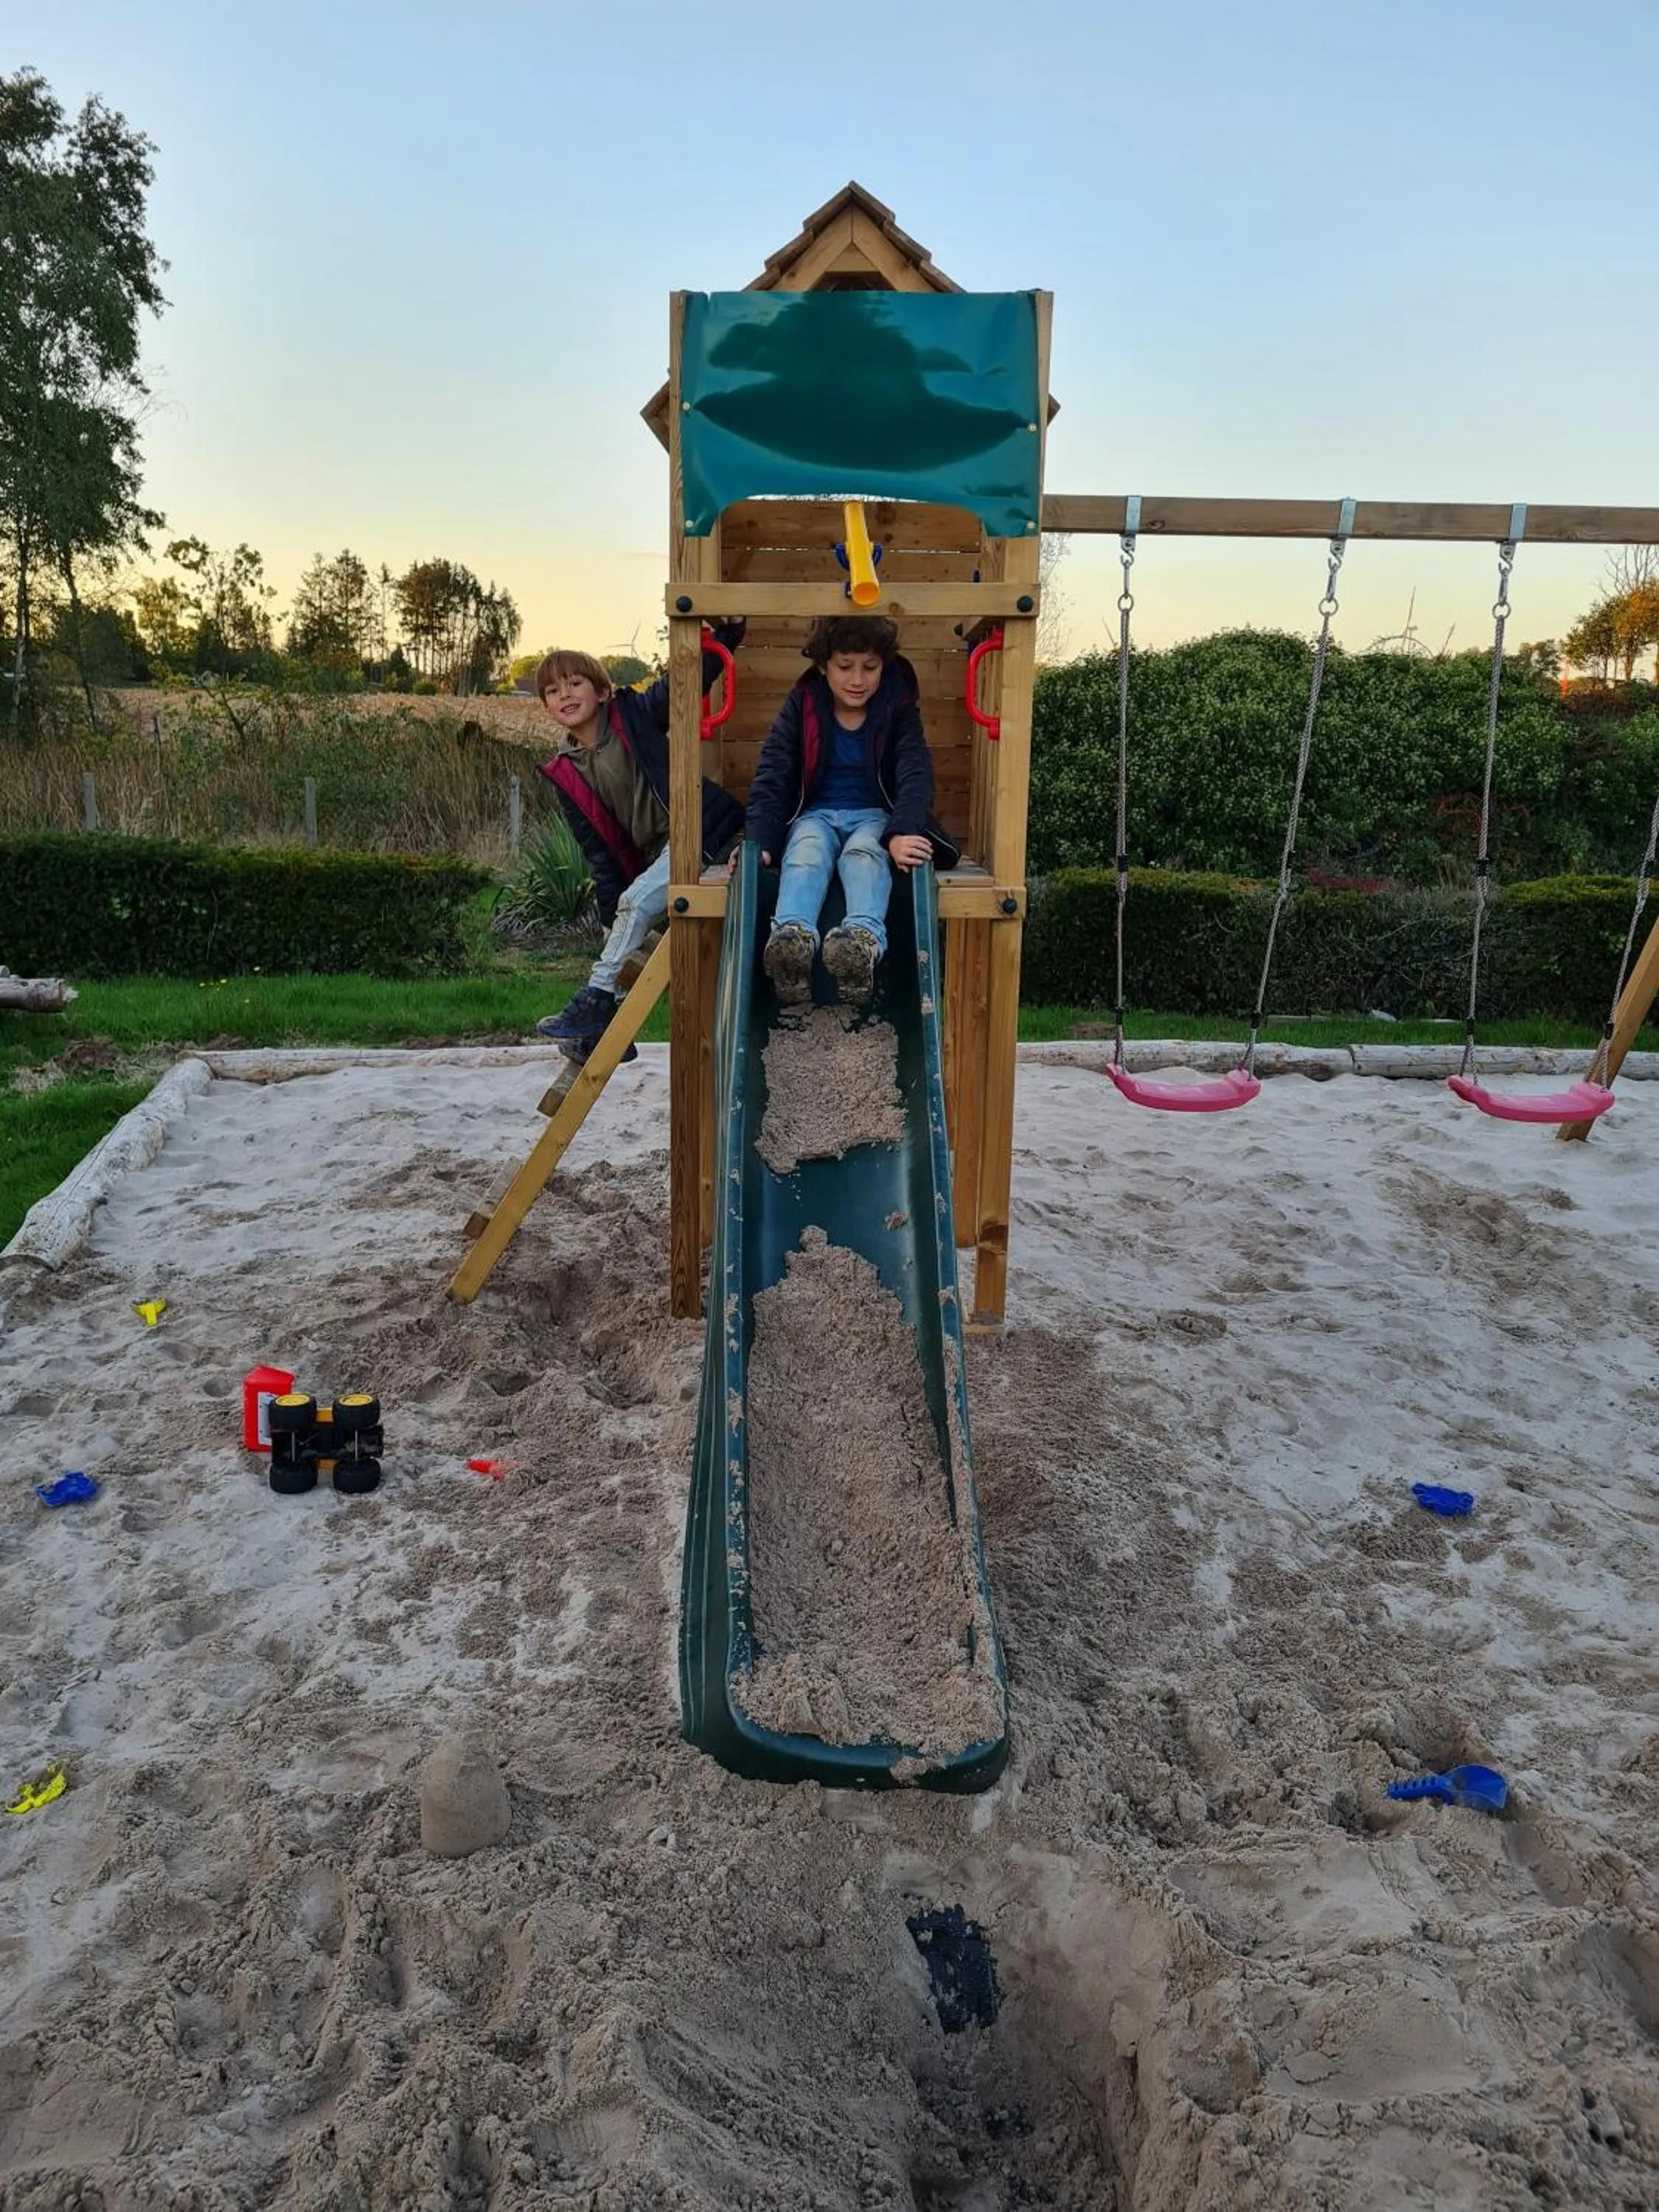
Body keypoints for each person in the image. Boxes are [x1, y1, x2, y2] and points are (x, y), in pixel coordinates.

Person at [535, 625, 745, 1057]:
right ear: (547, 707)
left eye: (576, 683)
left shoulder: (633, 716)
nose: (566, 695)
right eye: (554, 691)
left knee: (635, 906)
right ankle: (605, 1032)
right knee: (623, 919)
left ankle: (595, 998)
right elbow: (598, 850)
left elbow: (680, 685)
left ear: (602, 691)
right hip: (661, 855)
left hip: (705, 835)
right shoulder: (567, 772)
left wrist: (727, 633)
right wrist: (609, 909)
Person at [743, 614, 960, 1008]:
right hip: (816, 815)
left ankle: (861, 944)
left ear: (884, 667)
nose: (858, 679)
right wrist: (760, 841)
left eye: (870, 668)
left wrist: (901, 831)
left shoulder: (896, 708)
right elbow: (774, 773)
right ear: (824, 666)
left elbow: (915, 769)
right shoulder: (803, 705)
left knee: (865, 855)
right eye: (845, 667)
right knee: (805, 853)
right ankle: (792, 942)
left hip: (874, 815)